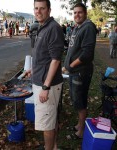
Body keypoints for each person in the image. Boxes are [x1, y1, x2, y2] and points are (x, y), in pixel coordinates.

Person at [24, 0, 64, 149]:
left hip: (47, 85)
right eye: (36, 8)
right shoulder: (42, 27)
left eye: (42, 8)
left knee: (47, 124)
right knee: (50, 119)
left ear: (49, 10)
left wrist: (46, 87)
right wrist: (33, 69)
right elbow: (43, 57)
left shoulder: (53, 28)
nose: (38, 11)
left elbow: (55, 60)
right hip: (42, 81)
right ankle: (53, 147)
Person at [64, 3, 96, 139]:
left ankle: (81, 131)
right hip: (74, 71)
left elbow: (87, 54)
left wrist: (70, 66)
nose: (77, 15)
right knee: (77, 99)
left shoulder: (88, 27)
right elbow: (73, 48)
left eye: (80, 12)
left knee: (80, 101)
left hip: (80, 72)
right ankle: (79, 124)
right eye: (75, 13)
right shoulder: (78, 27)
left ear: (85, 13)